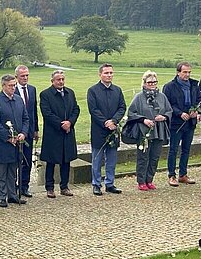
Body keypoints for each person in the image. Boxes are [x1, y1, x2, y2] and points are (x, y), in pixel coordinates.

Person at [0, 74, 30, 207]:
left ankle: (12, 195)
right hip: (2, 144)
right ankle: (1, 196)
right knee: (1, 172)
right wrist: (8, 137)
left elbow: (25, 118)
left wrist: (23, 133)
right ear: (3, 86)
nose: (13, 88)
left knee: (13, 171)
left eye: (14, 85)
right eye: (10, 85)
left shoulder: (18, 100)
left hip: (17, 143)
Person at [127, 71, 172, 190]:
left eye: (154, 82)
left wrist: (164, 117)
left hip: (159, 130)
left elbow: (169, 110)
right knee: (143, 157)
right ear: (144, 83)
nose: (152, 84)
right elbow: (131, 113)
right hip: (144, 131)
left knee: (155, 156)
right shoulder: (138, 97)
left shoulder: (162, 97)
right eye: (149, 82)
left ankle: (150, 179)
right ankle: (141, 181)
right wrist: (143, 120)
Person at [39, 70, 80, 198]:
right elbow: (46, 112)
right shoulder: (45, 94)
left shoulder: (70, 93)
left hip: (67, 132)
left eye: (62, 79)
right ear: (52, 81)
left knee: (66, 160)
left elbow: (76, 109)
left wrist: (70, 123)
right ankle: (50, 187)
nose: (61, 82)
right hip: (53, 133)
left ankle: (64, 186)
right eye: (58, 79)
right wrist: (61, 124)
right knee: (51, 161)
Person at [87, 63, 126, 196]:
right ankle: (96, 184)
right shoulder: (93, 91)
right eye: (106, 73)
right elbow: (93, 110)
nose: (109, 75)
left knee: (112, 158)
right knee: (97, 159)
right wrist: (105, 122)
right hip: (99, 130)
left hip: (114, 129)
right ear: (100, 74)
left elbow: (122, 107)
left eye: (111, 73)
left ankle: (110, 183)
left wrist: (114, 121)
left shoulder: (117, 90)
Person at [163, 62, 201, 187]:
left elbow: (198, 100)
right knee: (173, 149)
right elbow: (167, 104)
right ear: (178, 72)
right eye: (185, 72)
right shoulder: (169, 86)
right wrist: (179, 113)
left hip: (190, 122)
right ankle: (171, 175)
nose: (187, 74)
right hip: (176, 123)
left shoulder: (194, 85)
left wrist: (196, 111)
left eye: (189, 72)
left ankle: (183, 174)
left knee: (186, 149)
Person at [14, 65, 38, 198]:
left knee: (27, 160)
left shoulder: (32, 89)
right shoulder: (13, 90)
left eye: (27, 75)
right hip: (16, 132)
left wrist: (35, 130)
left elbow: (34, 110)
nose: (25, 78)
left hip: (29, 131)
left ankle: (24, 186)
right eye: (22, 76)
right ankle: (13, 187)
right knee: (15, 160)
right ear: (17, 76)